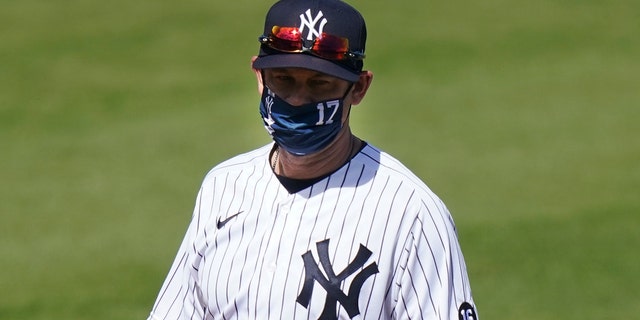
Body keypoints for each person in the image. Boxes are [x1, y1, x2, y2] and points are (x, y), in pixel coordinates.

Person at [147, 0, 479, 319]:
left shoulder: (410, 211)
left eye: (320, 84)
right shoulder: (223, 187)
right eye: (284, 79)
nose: (298, 99)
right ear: (260, 77)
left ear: (359, 88)